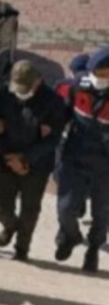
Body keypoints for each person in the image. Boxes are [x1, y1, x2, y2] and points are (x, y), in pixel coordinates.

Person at [0, 60, 67, 261]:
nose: (21, 92)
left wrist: (25, 159)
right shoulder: (2, 94)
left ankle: (22, 248)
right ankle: (10, 225)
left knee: (30, 209)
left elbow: (53, 138)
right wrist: (9, 155)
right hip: (6, 158)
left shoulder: (53, 101)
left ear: (38, 82)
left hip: (36, 163)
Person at [54, 47, 109, 272]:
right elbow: (60, 115)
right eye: (96, 72)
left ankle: (93, 249)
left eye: (104, 74)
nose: (98, 78)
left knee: (101, 213)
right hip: (75, 156)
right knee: (65, 208)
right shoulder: (77, 87)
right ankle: (71, 236)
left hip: (105, 165)